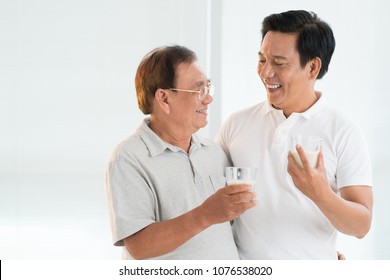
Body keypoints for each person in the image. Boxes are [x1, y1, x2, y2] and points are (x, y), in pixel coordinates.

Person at [216, 10, 373, 259]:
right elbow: (210, 202)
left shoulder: (343, 132)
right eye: (262, 60)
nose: (266, 73)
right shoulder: (235, 125)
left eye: (279, 63)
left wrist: (320, 194)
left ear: (312, 67)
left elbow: (361, 226)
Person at [105, 45, 256, 260]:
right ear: (164, 98)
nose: (208, 99)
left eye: (208, 88)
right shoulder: (129, 158)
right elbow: (139, 246)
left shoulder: (213, 152)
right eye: (199, 90)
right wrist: (205, 215)